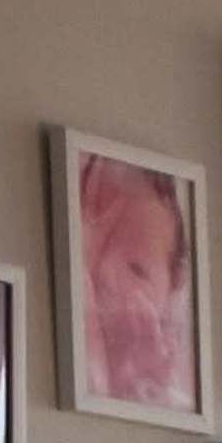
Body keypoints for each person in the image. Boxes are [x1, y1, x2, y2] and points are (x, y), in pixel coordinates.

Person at [77, 154, 196, 413]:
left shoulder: (176, 405)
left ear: (173, 289)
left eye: (136, 269)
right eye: (90, 255)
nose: (105, 277)